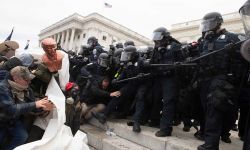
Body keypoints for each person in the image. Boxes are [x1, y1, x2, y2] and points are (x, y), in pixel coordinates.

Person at [196, 12, 246, 150]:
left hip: (222, 79)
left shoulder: (233, 38)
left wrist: (234, 51)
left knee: (214, 109)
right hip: (206, 79)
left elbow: (246, 55)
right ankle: (208, 137)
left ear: (218, 23)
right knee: (207, 110)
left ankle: (211, 145)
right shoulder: (205, 41)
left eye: (209, 24)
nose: (206, 28)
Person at [0, 66, 52, 150]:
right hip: (1, 121)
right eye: (26, 80)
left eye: (29, 79)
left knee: (22, 137)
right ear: (16, 78)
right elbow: (11, 109)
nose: (29, 81)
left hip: (13, 121)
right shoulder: (2, 88)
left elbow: (31, 105)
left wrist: (43, 107)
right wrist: (35, 104)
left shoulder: (26, 89)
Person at [150, 27, 184, 137]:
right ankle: (154, 121)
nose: (156, 41)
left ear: (165, 37)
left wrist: (176, 66)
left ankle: (166, 129)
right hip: (159, 77)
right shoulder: (157, 47)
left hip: (170, 78)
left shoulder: (175, 46)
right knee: (155, 99)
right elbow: (153, 61)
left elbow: (182, 63)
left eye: (158, 38)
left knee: (168, 102)